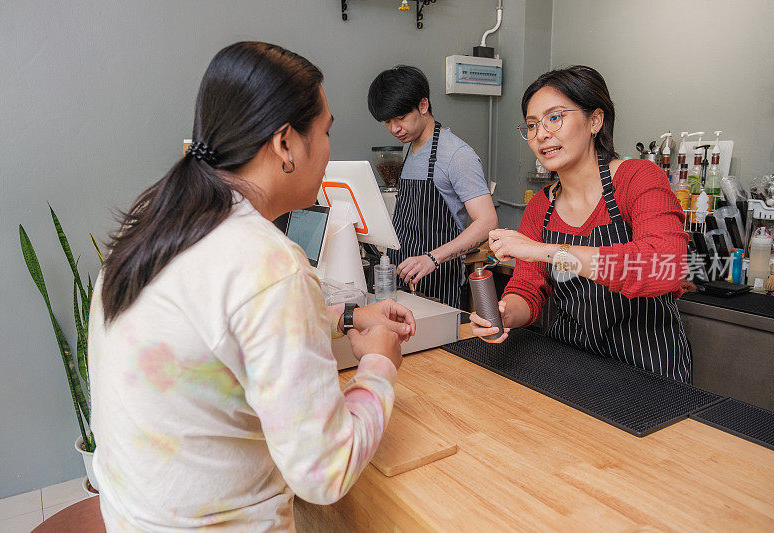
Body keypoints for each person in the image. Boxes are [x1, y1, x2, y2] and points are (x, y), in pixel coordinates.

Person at [89, 42, 417, 531]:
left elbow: (215, 340)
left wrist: (347, 318)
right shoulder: (268, 264)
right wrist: (379, 364)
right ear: (285, 144)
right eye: (326, 132)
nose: (329, 150)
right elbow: (324, 472)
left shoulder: (154, 224)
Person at [470, 65, 692, 383]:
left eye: (555, 118)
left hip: (650, 371)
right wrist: (505, 314)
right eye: (531, 125)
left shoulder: (637, 178)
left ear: (595, 120)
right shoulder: (540, 207)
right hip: (573, 364)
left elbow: (664, 266)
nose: (541, 134)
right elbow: (527, 290)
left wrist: (547, 251)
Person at [367, 65, 498, 308]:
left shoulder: (457, 155)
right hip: (402, 278)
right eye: (387, 121)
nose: (394, 129)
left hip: (438, 281)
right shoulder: (410, 149)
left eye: (401, 118)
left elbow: (487, 222)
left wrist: (431, 259)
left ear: (423, 106)